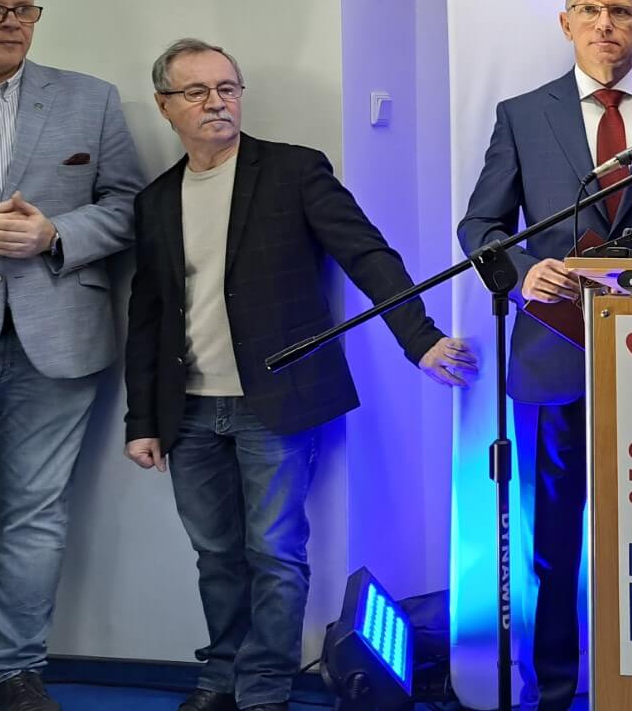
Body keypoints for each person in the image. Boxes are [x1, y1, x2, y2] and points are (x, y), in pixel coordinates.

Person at [124, 39, 472, 711]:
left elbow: (368, 255)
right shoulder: (156, 200)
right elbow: (148, 314)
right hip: (187, 410)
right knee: (216, 556)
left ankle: (263, 690)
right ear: (165, 105)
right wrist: (142, 419)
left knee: (275, 552)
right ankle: (219, 678)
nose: (217, 102)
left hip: (274, 401)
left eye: (228, 88)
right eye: (196, 91)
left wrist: (420, 339)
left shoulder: (293, 171)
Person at [457, 0, 632, 711]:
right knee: (555, 546)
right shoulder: (522, 116)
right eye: (590, 11)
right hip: (555, 355)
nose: (605, 25)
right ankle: (556, 690)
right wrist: (521, 273)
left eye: (621, 12)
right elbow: (481, 226)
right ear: (566, 22)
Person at [0, 0, 144, 711]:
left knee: (36, 518)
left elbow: (130, 205)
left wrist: (56, 233)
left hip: (58, 344)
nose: (12, 23)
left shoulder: (89, 99)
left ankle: (15, 674)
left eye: (24, 9)